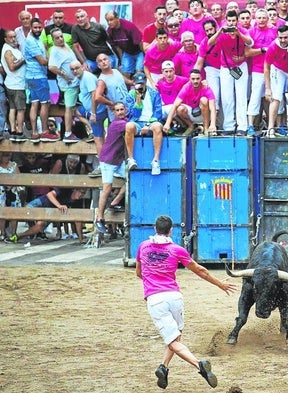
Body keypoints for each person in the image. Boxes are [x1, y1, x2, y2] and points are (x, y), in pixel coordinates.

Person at [135, 214, 237, 390]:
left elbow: (139, 273)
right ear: (171, 231)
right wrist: (221, 284)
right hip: (174, 297)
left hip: (156, 299)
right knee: (176, 335)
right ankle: (163, 367)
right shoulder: (177, 250)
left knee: (174, 341)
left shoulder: (143, 247)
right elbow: (200, 270)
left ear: (154, 229)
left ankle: (200, 366)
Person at [207, 10, 254, 134]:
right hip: (225, 67)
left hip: (240, 66)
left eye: (234, 21)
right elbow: (209, 43)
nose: (232, 23)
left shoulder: (242, 30)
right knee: (227, 97)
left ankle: (242, 126)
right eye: (229, 21)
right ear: (226, 21)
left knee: (241, 96)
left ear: (237, 21)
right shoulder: (222, 32)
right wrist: (219, 32)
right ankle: (229, 126)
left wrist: (239, 34)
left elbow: (250, 42)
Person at [94, 102, 127, 234]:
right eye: (117, 110)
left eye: (121, 109)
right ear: (114, 112)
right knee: (107, 187)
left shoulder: (125, 121)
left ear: (125, 110)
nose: (119, 112)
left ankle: (115, 202)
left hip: (118, 160)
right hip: (108, 160)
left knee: (132, 178)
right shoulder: (117, 124)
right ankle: (99, 218)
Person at [124, 72, 164, 176]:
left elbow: (158, 112)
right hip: (137, 122)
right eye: (138, 84)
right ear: (134, 83)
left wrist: (148, 125)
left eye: (142, 83)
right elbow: (131, 114)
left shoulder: (154, 93)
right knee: (128, 126)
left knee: (158, 126)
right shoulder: (130, 95)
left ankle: (156, 161)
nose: (141, 86)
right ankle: (131, 159)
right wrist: (138, 101)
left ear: (146, 82)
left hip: (150, 122)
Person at [162, 69, 217, 136]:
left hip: (203, 114)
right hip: (190, 113)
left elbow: (213, 108)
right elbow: (175, 106)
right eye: (193, 79)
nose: (195, 81)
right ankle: (191, 126)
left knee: (204, 100)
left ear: (201, 78)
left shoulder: (206, 87)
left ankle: (206, 129)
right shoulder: (186, 87)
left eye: (197, 78)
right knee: (180, 108)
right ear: (190, 79)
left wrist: (213, 124)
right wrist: (167, 123)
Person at [48, 28, 80, 140]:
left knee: (73, 108)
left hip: (76, 82)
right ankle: (67, 133)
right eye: (57, 38)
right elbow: (51, 67)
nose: (60, 39)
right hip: (69, 84)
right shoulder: (55, 50)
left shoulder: (65, 45)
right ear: (53, 40)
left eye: (61, 36)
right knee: (69, 108)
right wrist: (64, 75)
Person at [24, 18, 50, 142]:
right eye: (35, 27)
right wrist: (55, 60)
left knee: (34, 104)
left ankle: (35, 133)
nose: (38, 30)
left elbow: (45, 54)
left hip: (32, 77)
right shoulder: (30, 41)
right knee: (45, 103)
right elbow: (43, 61)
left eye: (40, 27)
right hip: (38, 77)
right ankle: (44, 132)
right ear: (30, 27)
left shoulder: (38, 39)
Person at [71, 9, 117, 73]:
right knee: (84, 73)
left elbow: (109, 41)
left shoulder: (98, 27)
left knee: (107, 73)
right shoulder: (75, 29)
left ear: (87, 17)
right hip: (91, 60)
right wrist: (83, 62)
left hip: (106, 57)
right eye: (78, 17)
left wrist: (118, 58)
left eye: (82, 16)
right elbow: (75, 47)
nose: (80, 19)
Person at [1, 30, 26, 137]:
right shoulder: (7, 50)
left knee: (12, 108)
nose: (13, 39)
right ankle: (19, 131)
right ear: (5, 39)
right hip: (16, 84)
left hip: (14, 83)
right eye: (10, 37)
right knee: (20, 109)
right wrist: (23, 60)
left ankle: (13, 129)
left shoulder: (12, 48)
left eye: (14, 36)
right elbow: (11, 67)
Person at [105, 11, 144, 79]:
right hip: (127, 53)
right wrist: (121, 60)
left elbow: (140, 43)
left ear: (117, 18)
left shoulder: (129, 26)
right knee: (125, 73)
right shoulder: (109, 31)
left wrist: (145, 56)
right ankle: (128, 89)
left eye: (111, 19)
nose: (109, 23)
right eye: (107, 20)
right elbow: (117, 48)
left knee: (139, 72)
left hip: (138, 52)